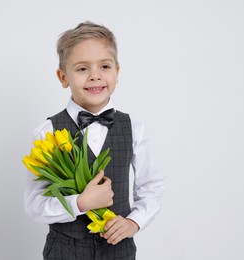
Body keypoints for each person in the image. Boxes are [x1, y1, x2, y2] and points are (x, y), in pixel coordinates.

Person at [24, 21, 165, 260]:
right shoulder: (46, 132)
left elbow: (152, 186)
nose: (95, 76)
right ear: (63, 77)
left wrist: (134, 221)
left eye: (105, 66)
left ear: (117, 73)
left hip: (118, 251)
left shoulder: (134, 127)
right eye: (82, 69)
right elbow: (35, 204)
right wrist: (79, 203)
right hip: (64, 252)